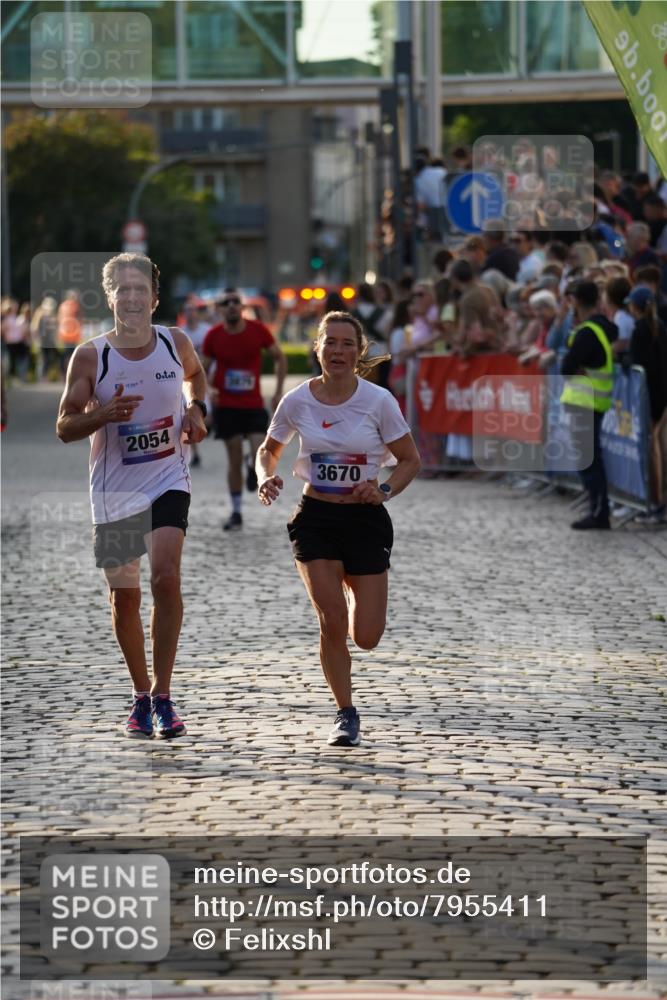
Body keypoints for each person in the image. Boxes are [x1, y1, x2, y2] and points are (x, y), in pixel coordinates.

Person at [56, 252, 208, 739]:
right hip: (115, 489)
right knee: (125, 599)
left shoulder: (175, 343)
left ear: (155, 297)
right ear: (111, 298)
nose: (133, 296)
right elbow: (64, 426)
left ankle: (163, 695)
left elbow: (196, 378)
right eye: (123, 289)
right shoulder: (91, 355)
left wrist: (196, 411)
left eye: (141, 288)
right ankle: (140, 694)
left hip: (167, 478)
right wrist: (103, 415)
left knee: (166, 578)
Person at [255, 311, 421, 747]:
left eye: (348, 343)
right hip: (317, 519)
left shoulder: (379, 401)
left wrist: (382, 490)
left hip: (365, 521)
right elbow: (268, 451)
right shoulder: (297, 400)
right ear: (318, 348)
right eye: (331, 342)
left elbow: (410, 460)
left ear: (359, 350)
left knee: (366, 636)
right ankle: (345, 713)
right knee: (331, 620)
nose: (339, 351)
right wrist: (264, 476)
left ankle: (354, 587)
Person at [202, 288, 286, 531]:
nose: (230, 306)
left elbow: (280, 358)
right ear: (219, 309)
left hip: (253, 404)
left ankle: (253, 466)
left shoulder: (257, 330)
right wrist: (209, 389)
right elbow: (201, 369)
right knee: (234, 457)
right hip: (226, 406)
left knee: (261, 448)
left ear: (242, 307)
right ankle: (236, 511)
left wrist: (279, 391)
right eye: (225, 303)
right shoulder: (213, 336)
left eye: (235, 302)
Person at [560, 280, 618, 530]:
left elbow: (566, 367)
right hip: (592, 402)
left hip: (586, 402)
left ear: (574, 300)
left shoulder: (587, 332)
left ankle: (599, 512)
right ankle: (597, 508)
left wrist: (575, 366)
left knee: (589, 459)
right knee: (589, 458)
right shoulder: (600, 328)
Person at [626, 286, 667, 519]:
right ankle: (659, 501)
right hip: (661, 392)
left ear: (635, 306)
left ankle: (657, 501)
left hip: (652, 394)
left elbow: (641, 362)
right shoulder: (658, 326)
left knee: (654, 449)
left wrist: (627, 360)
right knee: (659, 446)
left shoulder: (642, 329)